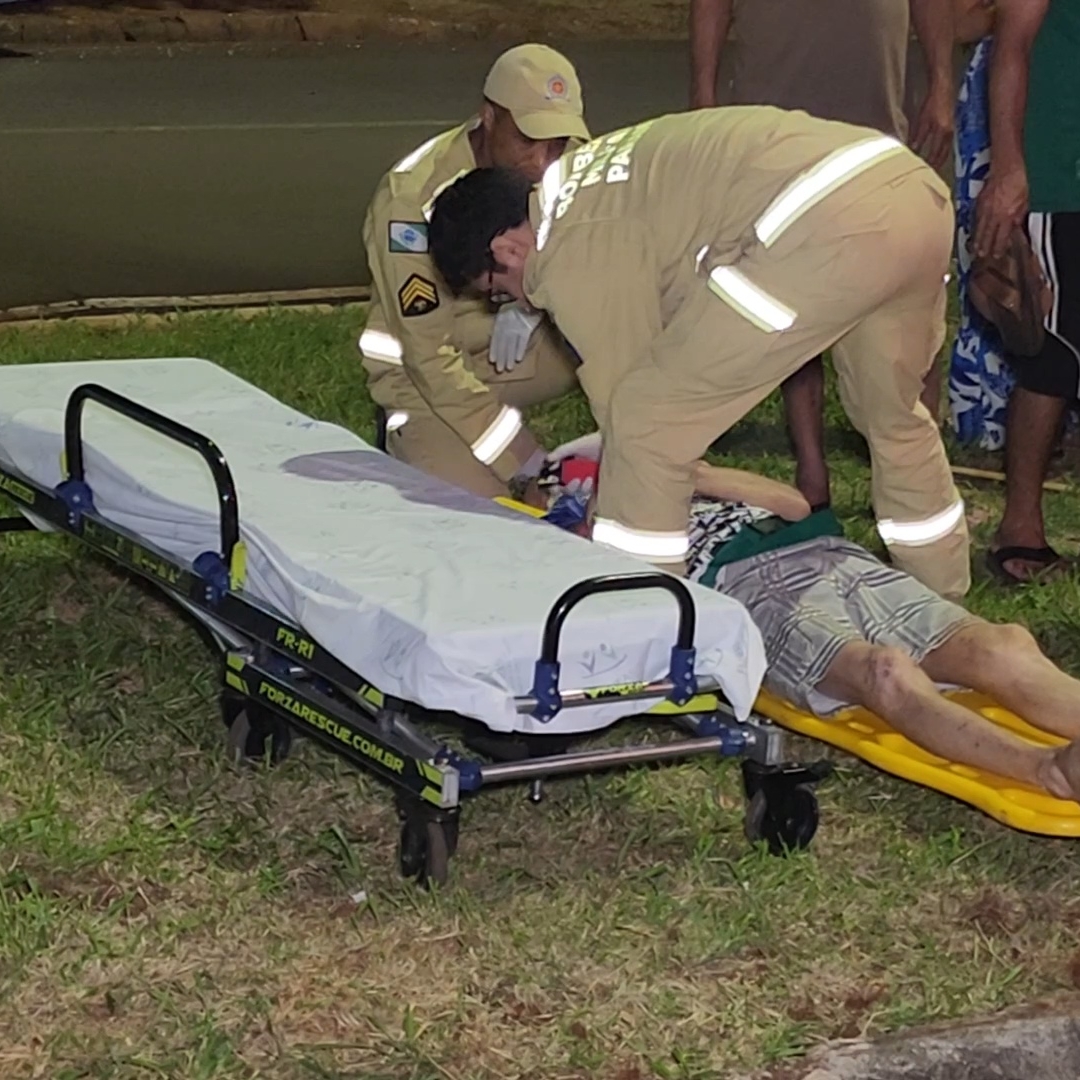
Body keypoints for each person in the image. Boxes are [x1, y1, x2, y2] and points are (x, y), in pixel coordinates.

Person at [426, 108, 971, 600]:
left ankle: (645, 620)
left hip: (823, 227)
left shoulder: (567, 248)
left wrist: (603, 510)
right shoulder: (593, 182)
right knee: (894, 417)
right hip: (910, 194)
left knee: (647, 422)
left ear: (507, 250)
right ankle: (941, 594)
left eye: (498, 291)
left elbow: (626, 399)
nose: (514, 302)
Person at [539, 449, 1080, 804]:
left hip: (834, 556)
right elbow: (616, 583)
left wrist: (693, 475)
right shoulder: (577, 523)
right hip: (746, 591)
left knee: (1000, 646)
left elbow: (795, 505)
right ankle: (1049, 770)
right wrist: (608, 492)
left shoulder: (706, 483)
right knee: (884, 671)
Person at [687, 0, 956, 509]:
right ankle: (812, 469)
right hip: (771, 120)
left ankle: (918, 476)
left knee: (909, 305)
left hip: (877, 120)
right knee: (788, 294)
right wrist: (703, 94)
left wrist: (943, 82)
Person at [358, 44, 589, 499]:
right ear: (488, 117)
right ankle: (412, 432)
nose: (543, 162)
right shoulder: (411, 200)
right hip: (423, 373)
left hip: (517, 354)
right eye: (527, 140)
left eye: (557, 143)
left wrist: (533, 301)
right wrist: (525, 465)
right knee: (486, 512)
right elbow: (429, 354)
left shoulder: (569, 164)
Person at [971, 0, 1080, 585]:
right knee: (1053, 356)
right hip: (1064, 173)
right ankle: (1020, 527)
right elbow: (1010, 44)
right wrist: (1009, 168)